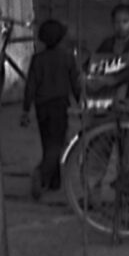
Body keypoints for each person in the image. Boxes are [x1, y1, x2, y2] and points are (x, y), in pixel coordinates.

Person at [21, 19, 81, 200]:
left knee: (47, 142)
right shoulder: (68, 58)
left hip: (42, 107)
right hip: (59, 105)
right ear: (61, 38)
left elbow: (30, 86)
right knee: (57, 144)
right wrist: (82, 103)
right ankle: (41, 174)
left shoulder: (37, 59)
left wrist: (25, 109)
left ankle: (54, 181)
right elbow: (75, 84)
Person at [88, 3, 129, 102]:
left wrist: (115, 79)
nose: (120, 26)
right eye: (117, 22)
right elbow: (94, 61)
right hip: (109, 94)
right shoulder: (108, 43)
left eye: (125, 22)